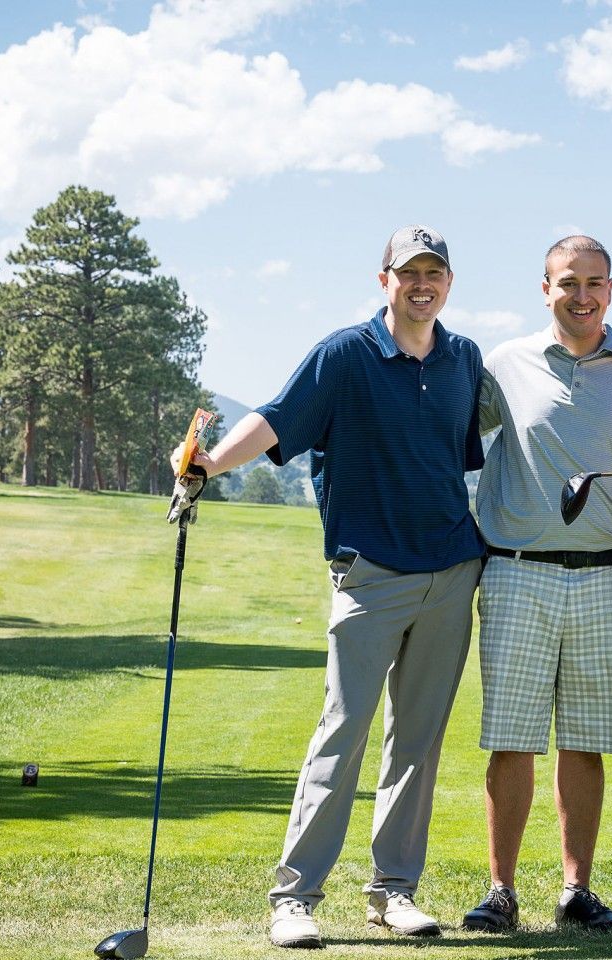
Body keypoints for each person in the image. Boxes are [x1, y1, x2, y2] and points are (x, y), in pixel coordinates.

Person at [170, 225, 485, 947]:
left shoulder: (463, 358)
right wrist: (208, 465)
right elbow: (277, 421)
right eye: (409, 272)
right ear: (385, 280)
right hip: (369, 573)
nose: (422, 283)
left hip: (450, 570)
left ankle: (394, 893)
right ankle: (294, 899)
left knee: (417, 743)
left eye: (434, 272)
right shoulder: (343, 354)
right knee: (341, 735)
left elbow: (459, 456)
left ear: (448, 281)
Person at [462, 235, 612, 932]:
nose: (580, 295)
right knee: (513, 739)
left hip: (609, 576)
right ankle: (500, 891)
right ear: (544, 288)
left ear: (611, 289)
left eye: (594, 282)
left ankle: (576, 891)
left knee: (586, 741)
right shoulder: (504, 365)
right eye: (567, 283)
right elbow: (451, 435)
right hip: (518, 571)